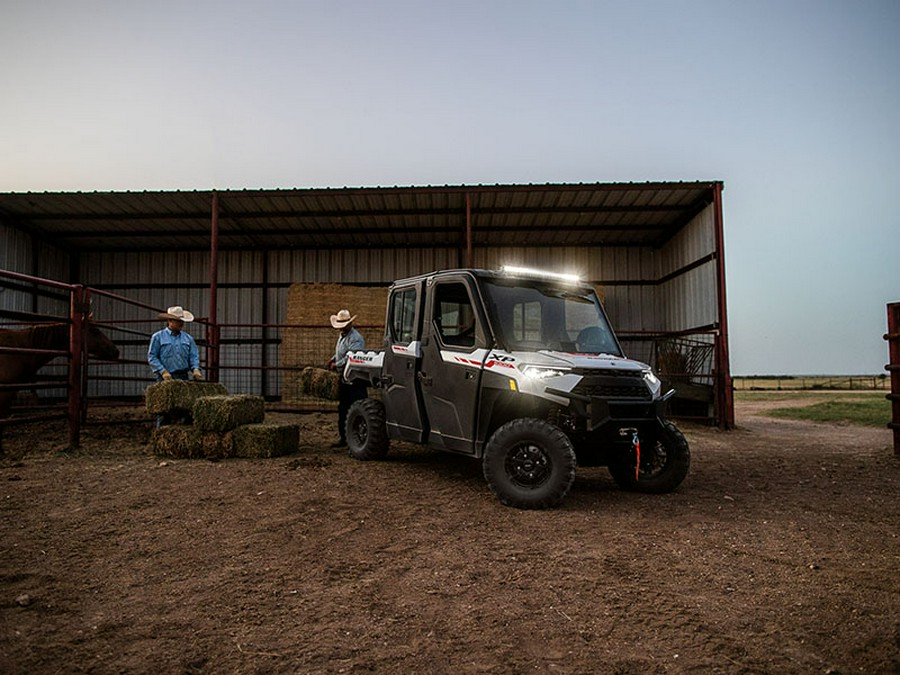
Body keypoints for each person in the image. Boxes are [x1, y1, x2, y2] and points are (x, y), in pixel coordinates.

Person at [148, 305, 203, 426]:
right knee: (164, 408)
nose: (181, 323)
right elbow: (152, 356)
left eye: (181, 321)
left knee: (185, 407)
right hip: (164, 377)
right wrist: (163, 371)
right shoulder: (158, 337)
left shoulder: (188, 339)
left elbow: (193, 356)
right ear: (170, 321)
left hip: (183, 376)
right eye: (178, 321)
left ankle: (183, 435)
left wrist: (195, 369)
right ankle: (162, 434)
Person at [327, 308, 366, 447]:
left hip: (354, 379)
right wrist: (333, 359)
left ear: (349, 324)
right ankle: (344, 438)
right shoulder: (343, 335)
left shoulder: (356, 339)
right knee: (343, 408)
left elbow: (352, 357)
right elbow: (342, 352)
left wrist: (336, 363)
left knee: (355, 407)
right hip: (345, 377)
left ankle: (357, 439)